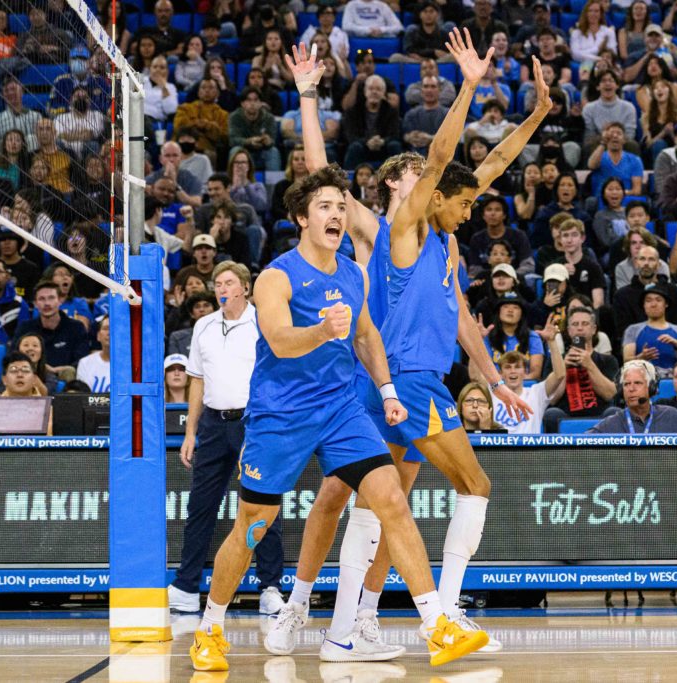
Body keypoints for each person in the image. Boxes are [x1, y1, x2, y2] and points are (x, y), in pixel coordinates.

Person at [270, 33, 542, 658]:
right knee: (350, 498)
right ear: (401, 185)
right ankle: (319, 607)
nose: (442, 182)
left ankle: (354, 621)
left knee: (381, 503)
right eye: (426, 176)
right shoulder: (383, 228)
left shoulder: (445, 241)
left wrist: (495, 379)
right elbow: (321, 176)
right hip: (386, 376)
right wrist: (309, 96)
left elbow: (466, 320)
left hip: (404, 381)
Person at [188, 165, 490, 672]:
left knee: (392, 496)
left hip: (341, 409)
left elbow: (368, 336)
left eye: (340, 206)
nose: (336, 214)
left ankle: (436, 622)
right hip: (281, 415)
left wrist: (389, 391)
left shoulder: (353, 272)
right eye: (324, 207)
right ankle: (210, 626)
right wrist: (323, 331)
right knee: (253, 527)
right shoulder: (275, 277)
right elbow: (282, 343)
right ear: (301, 219)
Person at [168, 261, 286, 616]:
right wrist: (190, 431)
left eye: (228, 282)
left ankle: (270, 587)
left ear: (245, 288)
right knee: (200, 505)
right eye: (217, 283)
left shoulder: (263, 323)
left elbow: (278, 377)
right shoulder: (203, 325)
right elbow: (197, 380)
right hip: (213, 426)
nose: (221, 288)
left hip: (254, 423)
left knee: (263, 506)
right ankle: (187, 586)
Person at [542, 305, 620, 432]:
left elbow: (610, 394)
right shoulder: (556, 361)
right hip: (565, 415)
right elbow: (552, 398)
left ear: (594, 329)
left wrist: (589, 364)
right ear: (568, 330)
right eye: (575, 324)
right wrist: (563, 367)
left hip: (599, 415)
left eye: (585, 324)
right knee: (551, 414)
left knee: (614, 412)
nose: (579, 328)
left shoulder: (608, 360)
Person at [588, 360, 677, 433]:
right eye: (626, 384)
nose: (631, 389)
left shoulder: (671, 416)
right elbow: (578, 447)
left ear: (651, 387)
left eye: (637, 383)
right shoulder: (611, 423)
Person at [13, 281, 91, 372]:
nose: (46, 303)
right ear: (35, 303)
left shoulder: (76, 327)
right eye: (42, 299)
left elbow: (83, 361)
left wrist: (57, 371)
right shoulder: (25, 328)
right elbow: (13, 356)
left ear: (60, 301)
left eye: (51, 298)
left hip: (68, 379)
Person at [622, 282, 677, 378]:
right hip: (643, 380)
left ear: (666, 304)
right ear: (643, 305)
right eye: (648, 301)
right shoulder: (632, 330)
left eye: (658, 300)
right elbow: (626, 362)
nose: (653, 304)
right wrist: (641, 358)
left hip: (674, 380)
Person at [491, 346, 562, 434]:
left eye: (517, 367)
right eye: (508, 367)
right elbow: (476, 377)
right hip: (497, 447)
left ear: (525, 372)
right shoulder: (493, 392)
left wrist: (552, 341)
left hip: (529, 447)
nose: (513, 371)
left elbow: (559, 375)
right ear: (500, 373)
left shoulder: (536, 393)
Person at [75, 316, 111, 393]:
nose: (109, 333)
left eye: (114, 329)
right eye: (105, 328)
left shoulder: (132, 364)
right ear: (98, 336)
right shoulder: (85, 363)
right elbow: (83, 398)